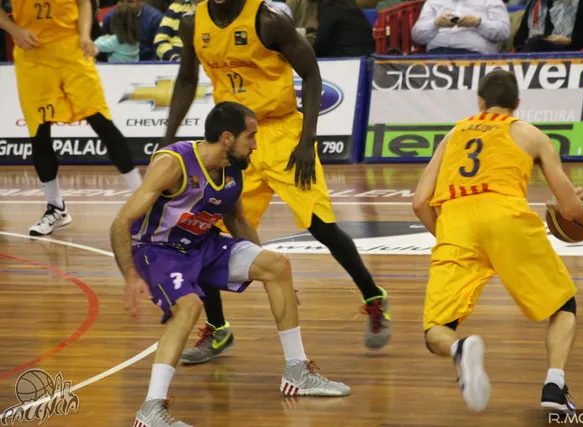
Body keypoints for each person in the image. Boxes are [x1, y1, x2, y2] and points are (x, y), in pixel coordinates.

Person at [162, 0, 391, 365]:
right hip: (234, 141)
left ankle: (372, 296)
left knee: (321, 226)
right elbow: (187, 79)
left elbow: (312, 74)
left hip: (283, 132)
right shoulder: (192, 24)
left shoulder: (268, 20)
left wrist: (307, 141)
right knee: (204, 232)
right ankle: (218, 328)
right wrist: (167, 138)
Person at [110, 102, 351, 427]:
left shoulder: (233, 168)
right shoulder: (174, 163)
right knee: (189, 306)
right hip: (158, 249)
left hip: (202, 246)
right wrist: (130, 276)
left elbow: (237, 221)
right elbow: (121, 222)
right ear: (227, 137)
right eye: (250, 136)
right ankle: (151, 410)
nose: (255, 144)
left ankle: (297, 372)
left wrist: (271, 272)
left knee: (278, 265)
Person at [412, 69, 583, 413]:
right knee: (563, 306)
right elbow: (571, 209)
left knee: (436, 329)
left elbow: (419, 202)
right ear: (516, 103)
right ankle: (554, 385)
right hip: (507, 218)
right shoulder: (531, 135)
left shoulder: (453, 134)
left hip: (456, 223)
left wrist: (449, 237)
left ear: (480, 102)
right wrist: (576, 203)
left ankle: (458, 349)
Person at [0, 0, 142, 236]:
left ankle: (142, 201)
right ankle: (56, 207)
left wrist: (85, 35)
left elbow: (83, 2)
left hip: (71, 50)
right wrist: (14, 29)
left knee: (101, 121)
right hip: (32, 56)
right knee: (39, 132)